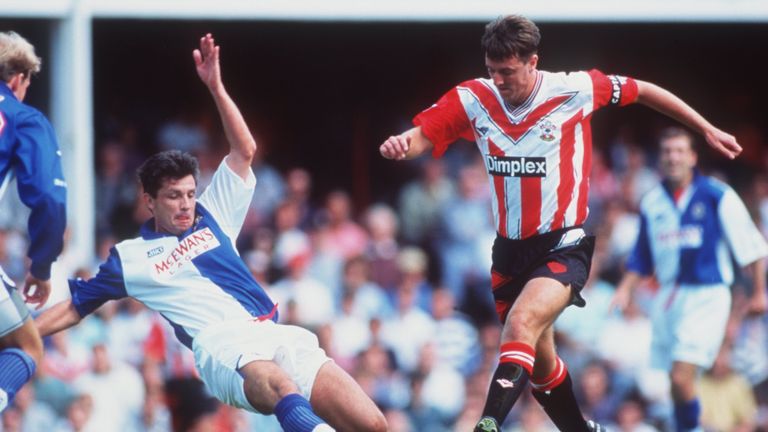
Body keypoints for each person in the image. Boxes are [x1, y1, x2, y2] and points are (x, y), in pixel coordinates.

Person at [379, 15, 742, 432]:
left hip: (564, 244)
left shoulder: (573, 89)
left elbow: (643, 90)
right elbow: (422, 135)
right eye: (492, 70)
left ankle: (486, 425)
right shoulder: (473, 97)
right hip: (510, 252)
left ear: (533, 61)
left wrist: (706, 127)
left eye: (508, 72)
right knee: (540, 363)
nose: (498, 80)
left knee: (520, 325)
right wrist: (402, 145)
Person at [35, 34, 387, 432]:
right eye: (173, 196)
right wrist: (18, 336)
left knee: (373, 424)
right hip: (220, 347)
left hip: (272, 330)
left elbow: (244, 150)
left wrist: (216, 88)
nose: (186, 203)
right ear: (149, 201)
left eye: (189, 193)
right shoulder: (129, 258)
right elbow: (75, 306)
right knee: (279, 384)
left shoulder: (213, 212)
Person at [611, 127, 767, 432]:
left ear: (693, 157)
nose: (673, 157)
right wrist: (625, 289)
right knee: (673, 377)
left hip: (707, 294)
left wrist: (760, 291)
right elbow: (642, 256)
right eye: (668, 151)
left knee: (682, 374)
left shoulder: (716, 195)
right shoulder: (653, 201)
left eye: (680, 151)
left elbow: (752, 246)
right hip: (669, 295)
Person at [0, 31, 67, 413]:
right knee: (26, 346)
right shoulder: (21, 117)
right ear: (17, 79)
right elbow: (49, 198)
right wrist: (41, 266)